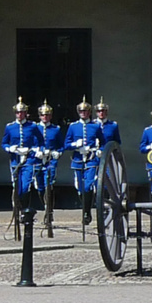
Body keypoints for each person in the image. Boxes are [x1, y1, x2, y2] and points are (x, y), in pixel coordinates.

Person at [63, 96, 103, 225]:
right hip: (78, 159)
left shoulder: (95, 126)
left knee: (88, 185)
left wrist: (99, 150)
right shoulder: (73, 126)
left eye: (85, 111)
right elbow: (66, 145)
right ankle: (85, 208)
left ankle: (87, 213)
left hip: (91, 159)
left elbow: (103, 142)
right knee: (80, 188)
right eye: (81, 112)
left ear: (89, 112)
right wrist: (75, 145)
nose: (83, 113)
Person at [1, 96, 45, 209]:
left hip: (29, 158)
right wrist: (9, 148)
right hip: (15, 159)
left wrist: (39, 150)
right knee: (17, 186)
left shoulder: (32, 126)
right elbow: (4, 143)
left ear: (25, 113)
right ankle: (19, 208)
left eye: (21, 112)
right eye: (17, 113)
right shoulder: (10, 127)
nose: (19, 115)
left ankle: (25, 210)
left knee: (26, 186)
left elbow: (41, 141)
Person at [35, 100, 63, 217]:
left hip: (51, 160)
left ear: (50, 116)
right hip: (38, 160)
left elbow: (61, 145)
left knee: (50, 184)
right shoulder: (34, 128)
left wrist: (58, 153)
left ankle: (49, 210)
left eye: (47, 115)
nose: (44, 117)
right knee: (39, 186)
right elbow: (31, 143)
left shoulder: (56, 129)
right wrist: (36, 150)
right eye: (42, 115)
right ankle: (44, 206)